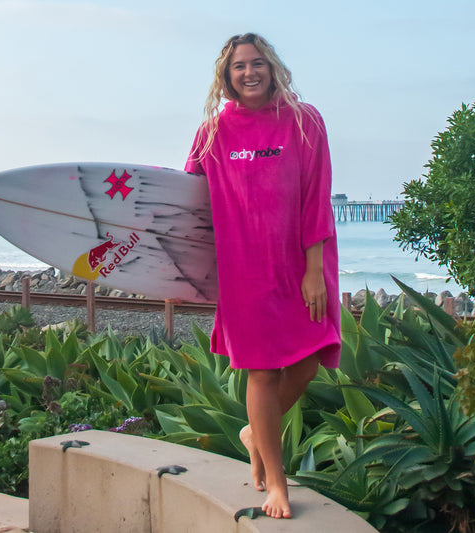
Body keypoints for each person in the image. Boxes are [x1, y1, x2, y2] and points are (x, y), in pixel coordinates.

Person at [185, 33, 340, 519]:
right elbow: (185, 197)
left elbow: (317, 194)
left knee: (309, 360)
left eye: (256, 64)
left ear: (272, 68)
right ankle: (276, 482)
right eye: (238, 67)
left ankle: (256, 430)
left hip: (302, 262)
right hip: (245, 268)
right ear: (226, 77)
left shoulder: (303, 121)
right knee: (262, 370)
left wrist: (313, 270)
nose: (249, 72)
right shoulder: (214, 131)